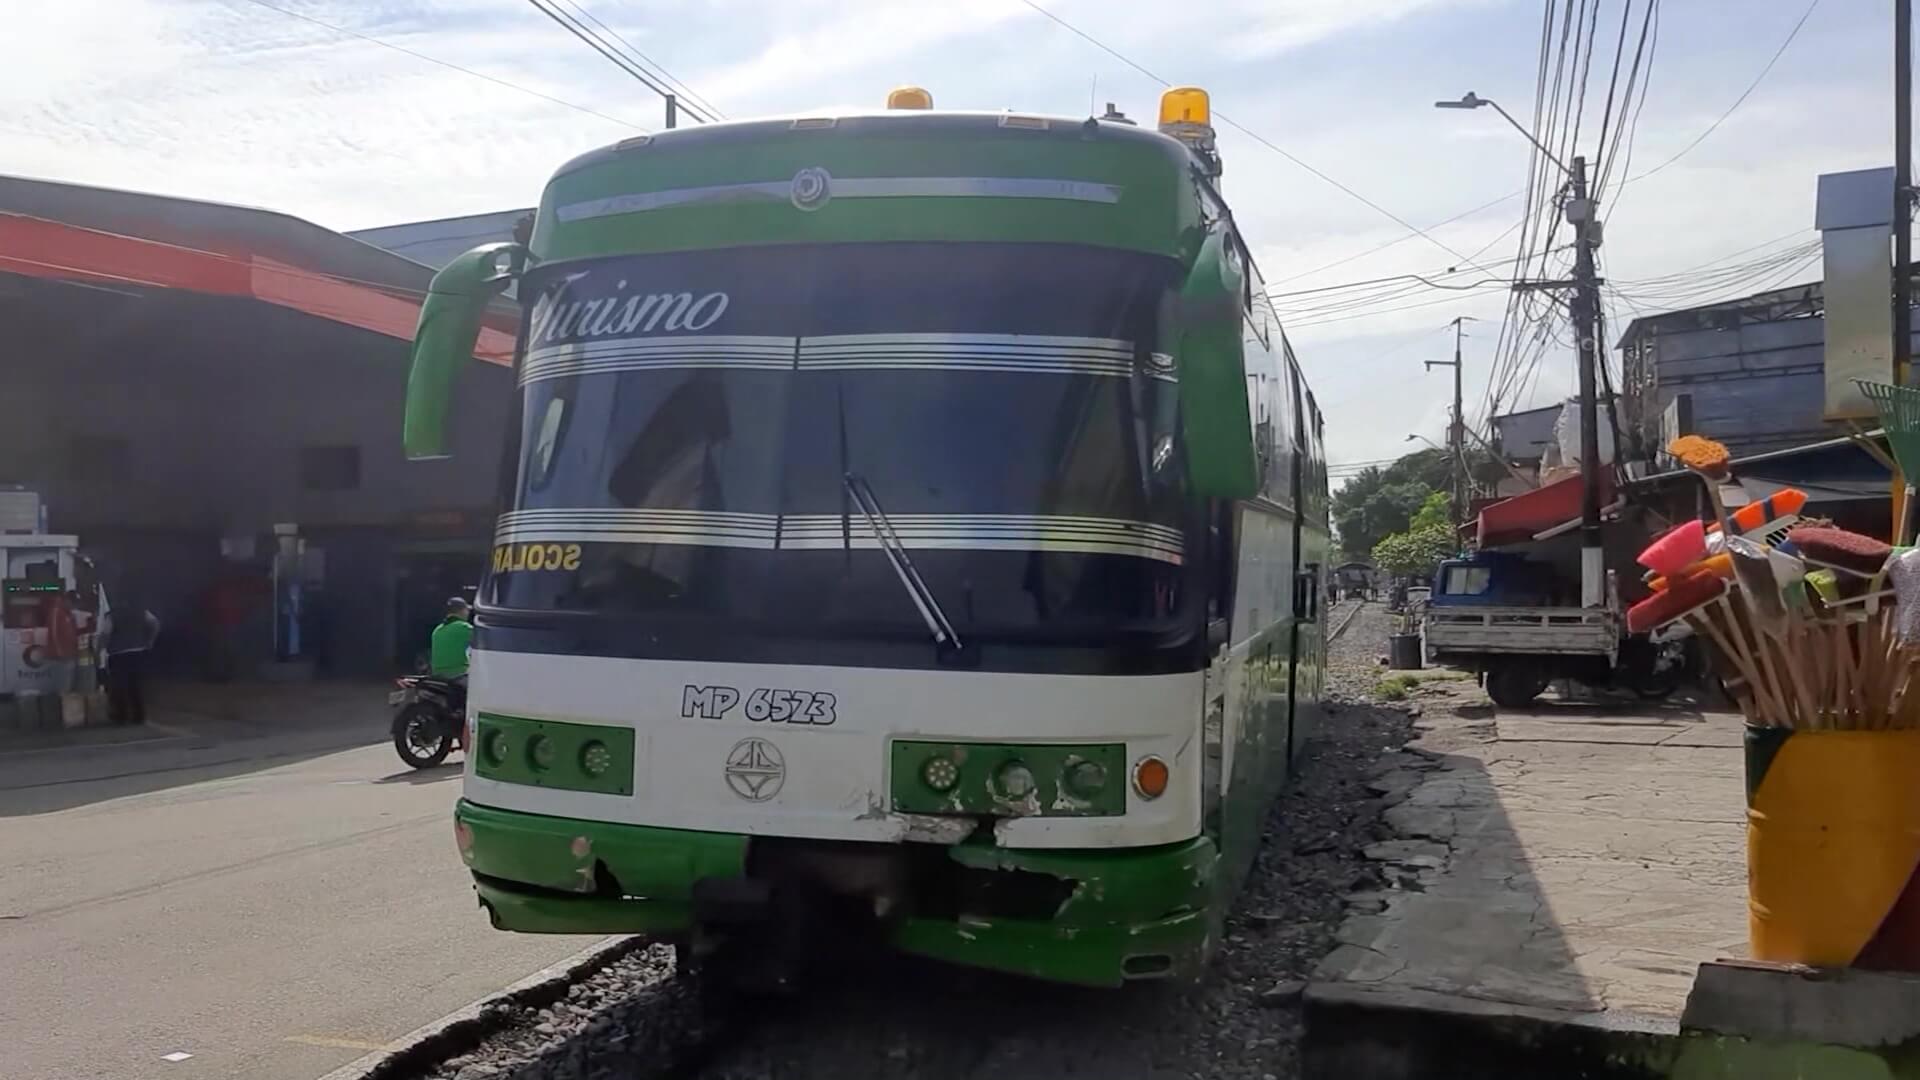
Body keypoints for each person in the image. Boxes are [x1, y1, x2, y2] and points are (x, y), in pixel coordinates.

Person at [104, 596, 161, 726]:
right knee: (135, 685)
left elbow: (105, 634)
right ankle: (139, 716)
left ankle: (121, 716)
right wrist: (150, 641)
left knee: (119, 686)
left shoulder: (112, 615)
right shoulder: (141, 611)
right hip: (138, 652)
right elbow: (156, 624)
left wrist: (100, 649)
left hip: (118, 654)